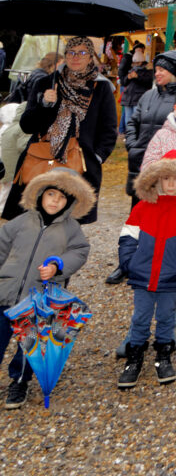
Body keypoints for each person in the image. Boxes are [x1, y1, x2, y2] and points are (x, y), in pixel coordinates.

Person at [0, 168, 94, 409]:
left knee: (29, 344)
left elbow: (79, 251)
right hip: (6, 292)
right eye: (51, 194)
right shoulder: (21, 221)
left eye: (62, 197)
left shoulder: (71, 228)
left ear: (70, 201)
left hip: (36, 300)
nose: (55, 200)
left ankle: (19, 380)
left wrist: (57, 265)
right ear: (40, 193)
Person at [117, 150, 176, 388]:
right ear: (156, 178)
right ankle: (134, 358)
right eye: (165, 177)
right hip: (142, 276)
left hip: (172, 277)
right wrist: (129, 263)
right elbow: (127, 236)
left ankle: (163, 356)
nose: (170, 183)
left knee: (167, 317)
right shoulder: (143, 206)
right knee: (140, 318)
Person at [2, 37, 117, 225]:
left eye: (81, 53)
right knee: (33, 216)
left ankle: (61, 254)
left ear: (90, 57)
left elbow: (109, 128)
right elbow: (27, 126)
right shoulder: (46, 83)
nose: (75, 57)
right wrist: (45, 104)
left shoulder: (101, 87)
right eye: (71, 52)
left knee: (69, 221)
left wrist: (97, 156)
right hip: (40, 160)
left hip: (80, 164)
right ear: (64, 56)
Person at [107, 49, 176, 286]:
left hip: (168, 172)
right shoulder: (147, 95)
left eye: (163, 69)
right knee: (136, 218)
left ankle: (160, 265)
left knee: (166, 220)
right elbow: (133, 122)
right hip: (141, 166)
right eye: (157, 68)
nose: (158, 72)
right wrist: (133, 145)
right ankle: (127, 264)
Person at [118, 43, 152, 136]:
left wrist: (137, 77)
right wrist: (128, 77)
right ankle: (129, 136)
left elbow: (149, 82)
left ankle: (136, 136)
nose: (136, 64)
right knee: (128, 118)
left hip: (138, 98)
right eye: (134, 63)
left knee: (137, 118)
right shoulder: (131, 68)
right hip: (128, 97)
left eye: (137, 62)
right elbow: (124, 82)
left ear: (141, 61)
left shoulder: (148, 69)